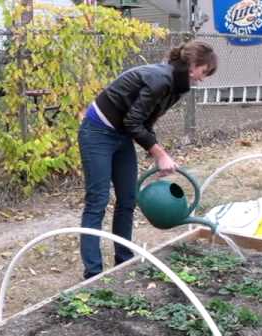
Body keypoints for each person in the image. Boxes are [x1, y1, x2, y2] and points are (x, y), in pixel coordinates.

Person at [78, 40, 218, 279]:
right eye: (204, 72)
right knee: (98, 201)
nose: (203, 79)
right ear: (193, 64)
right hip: (97, 132)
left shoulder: (176, 86)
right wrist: (159, 153)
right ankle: (93, 274)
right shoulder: (160, 79)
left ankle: (123, 261)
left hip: (121, 134)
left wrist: (157, 154)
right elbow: (133, 122)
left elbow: (143, 122)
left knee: (128, 199)